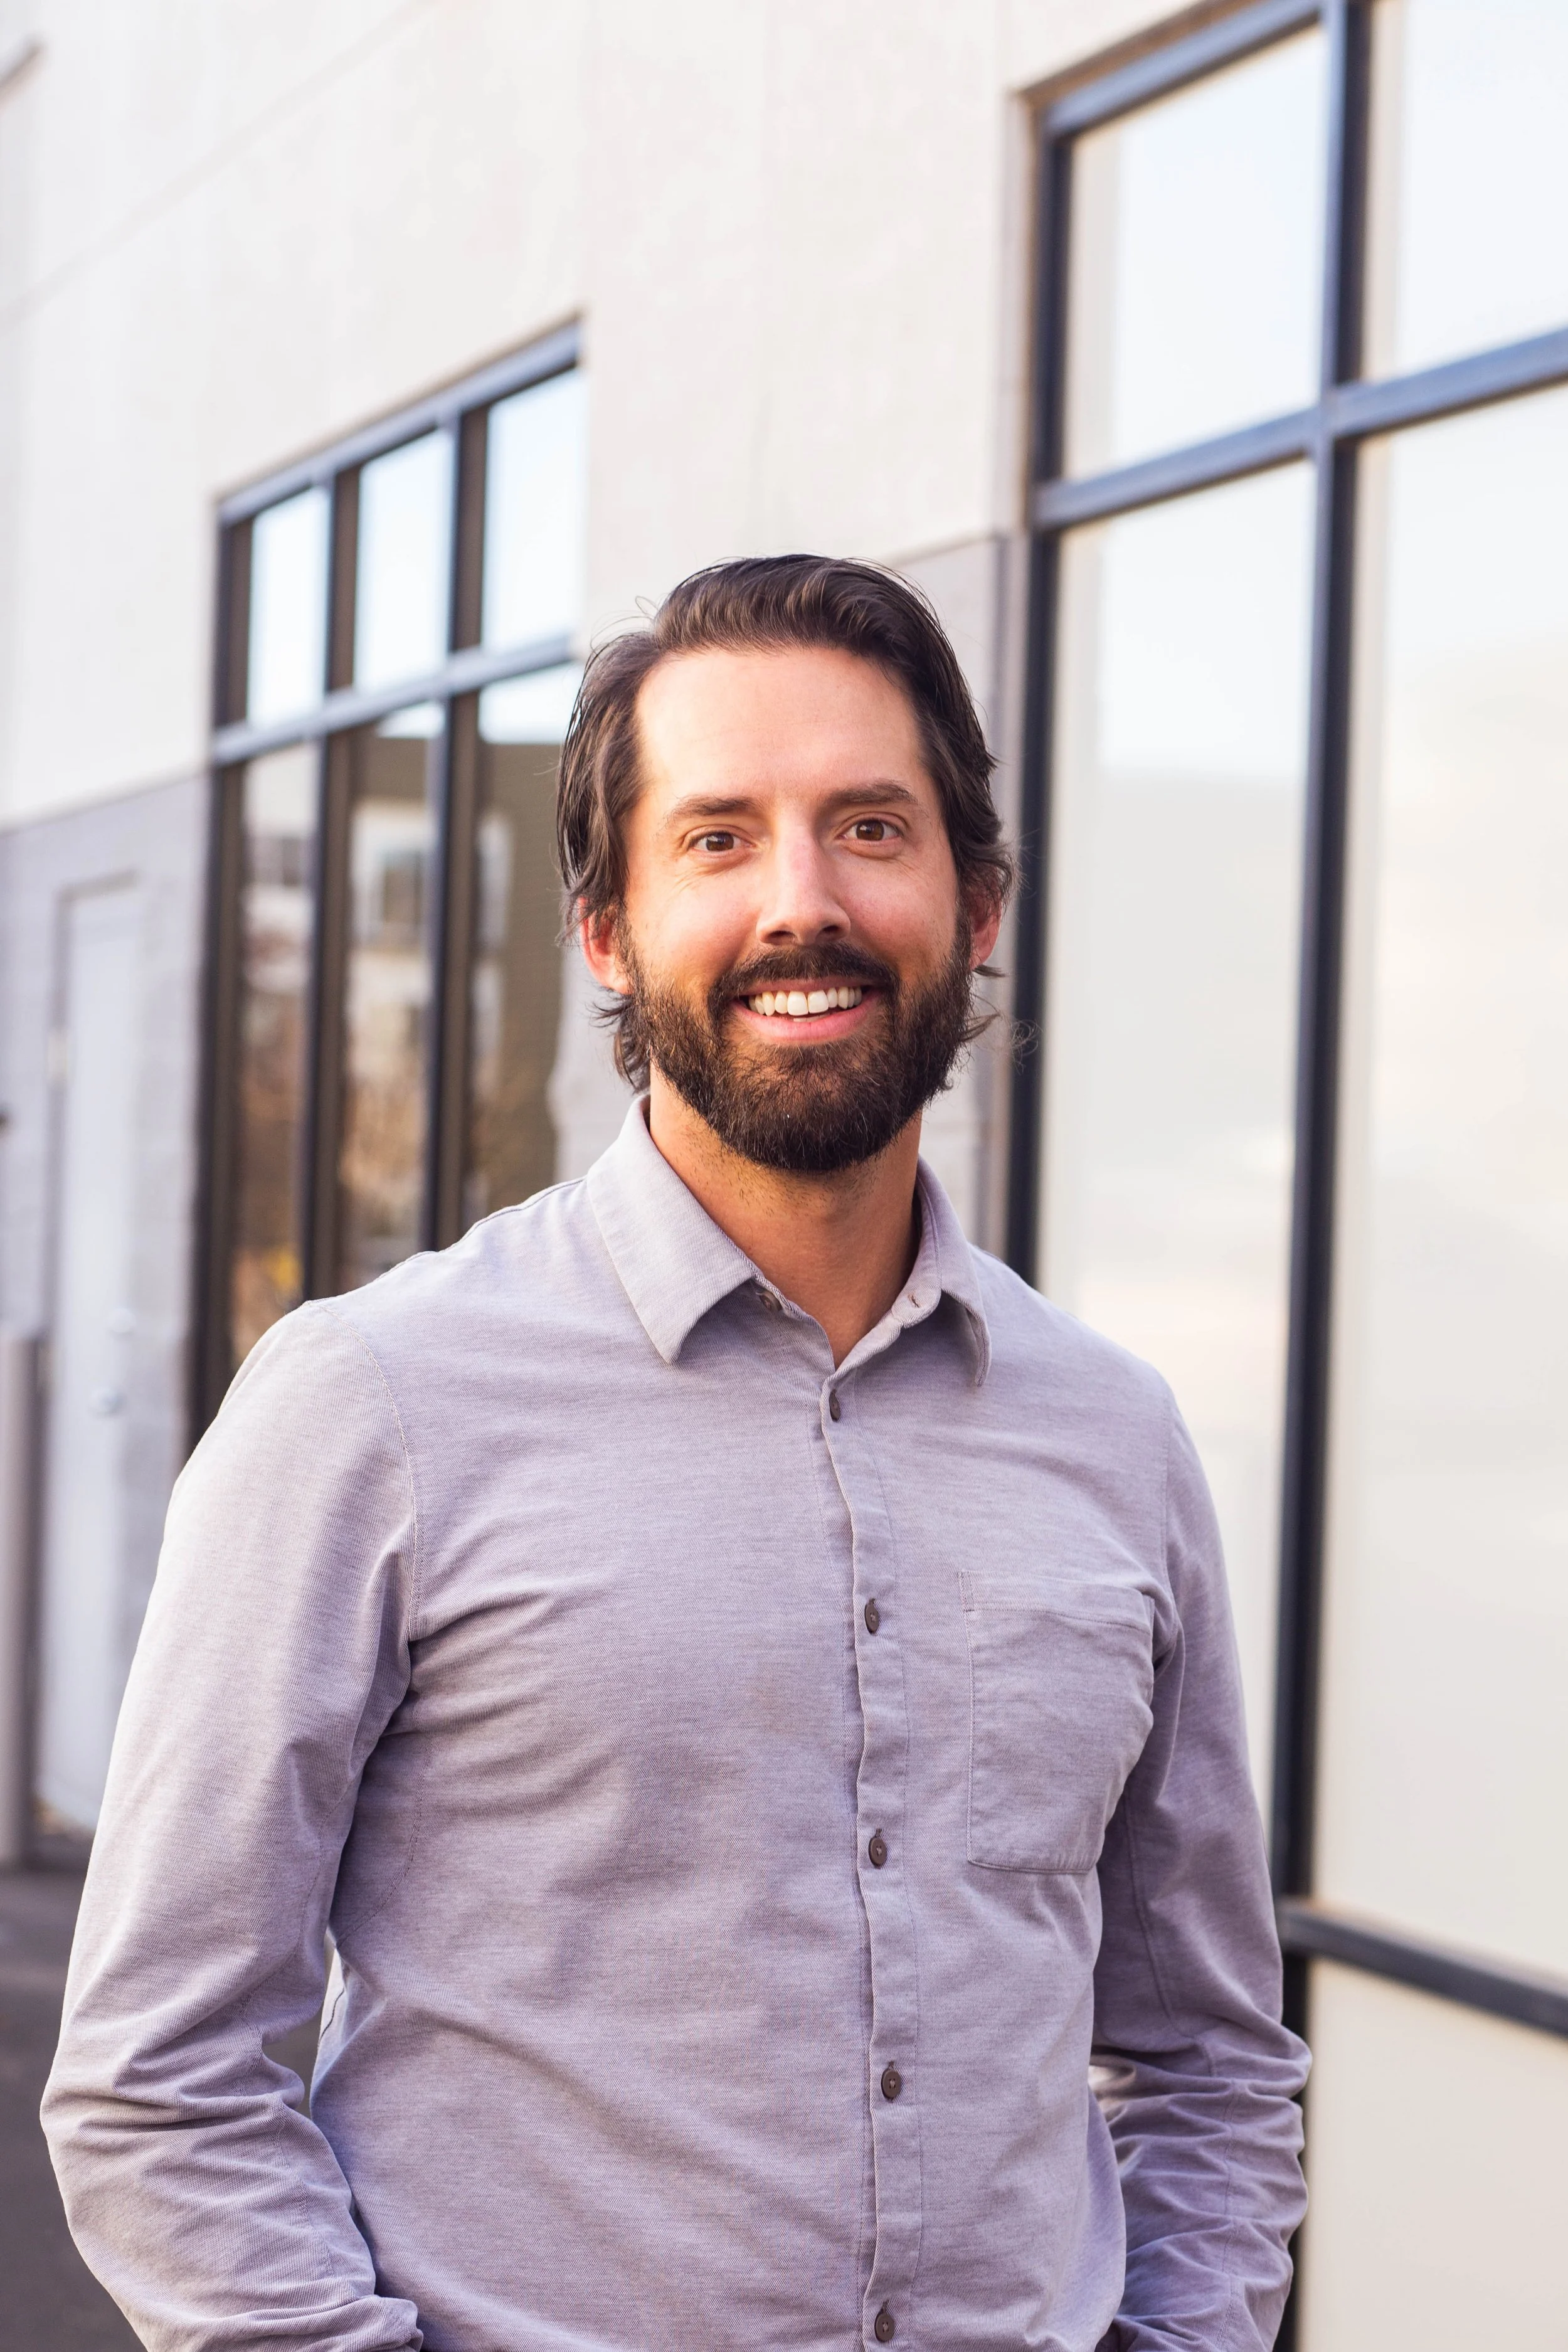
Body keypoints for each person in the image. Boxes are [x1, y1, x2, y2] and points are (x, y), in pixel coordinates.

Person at [45, 556, 1307, 2351]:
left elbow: (1204, 2057)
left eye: (870, 826)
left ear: (978, 902)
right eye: (717, 838)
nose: (803, 902)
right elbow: (159, 2080)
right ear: (609, 928)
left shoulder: (1113, 1431)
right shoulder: (371, 1398)